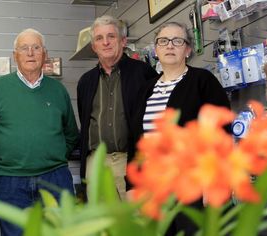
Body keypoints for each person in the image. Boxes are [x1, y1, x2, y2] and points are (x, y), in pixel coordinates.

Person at [130, 22, 231, 235]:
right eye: (163, 41)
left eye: (177, 41)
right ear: (156, 49)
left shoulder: (202, 81)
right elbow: (136, 141)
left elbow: (221, 132)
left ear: (187, 49)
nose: (170, 46)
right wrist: (133, 184)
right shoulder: (146, 89)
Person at [0, 28, 79, 236]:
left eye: (36, 47)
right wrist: (8, 158)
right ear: (15, 56)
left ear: (45, 54)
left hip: (55, 178)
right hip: (11, 181)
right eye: (24, 48)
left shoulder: (58, 90)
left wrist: (52, 157)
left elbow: (71, 133)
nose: (30, 53)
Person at [77, 15, 158, 201]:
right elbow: (85, 120)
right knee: (101, 224)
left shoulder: (143, 73)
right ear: (93, 46)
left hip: (131, 161)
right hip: (95, 163)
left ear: (123, 41)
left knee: (136, 224)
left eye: (111, 36)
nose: (105, 42)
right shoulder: (85, 82)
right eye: (99, 38)